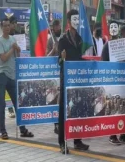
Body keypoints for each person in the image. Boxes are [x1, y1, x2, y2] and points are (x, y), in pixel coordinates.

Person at [0, 18, 34, 140]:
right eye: (5, 25)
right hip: (1, 74)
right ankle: (3, 131)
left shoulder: (13, 39)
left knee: (18, 103)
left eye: (8, 25)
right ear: (2, 27)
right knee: (2, 104)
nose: (7, 27)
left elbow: (17, 54)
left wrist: (17, 49)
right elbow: (4, 58)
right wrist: (13, 49)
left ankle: (22, 129)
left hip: (12, 75)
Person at [58, 9, 89, 154]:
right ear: (69, 22)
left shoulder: (80, 39)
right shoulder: (63, 40)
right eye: (74, 19)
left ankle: (77, 140)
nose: (77, 22)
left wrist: (89, 63)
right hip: (66, 80)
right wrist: (62, 57)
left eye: (78, 19)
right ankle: (62, 142)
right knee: (65, 111)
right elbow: (59, 61)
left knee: (78, 109)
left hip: (77, 80)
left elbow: (79, 58)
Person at [101, 24, 125, 145]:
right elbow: (103, 63)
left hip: (124, 82)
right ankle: (112, 134)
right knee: (113, 108)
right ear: (121, 34)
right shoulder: (108, 46)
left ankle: (123, 134)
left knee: (124, 108)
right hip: (113, 82)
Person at [46, 20, 62, 134]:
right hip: (54, 74)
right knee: (55, 99)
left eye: (58, 25)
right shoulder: (50, 40)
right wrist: (54, 50)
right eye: (55, 26)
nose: (57, 27)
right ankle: (56, 124)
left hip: (62, 71)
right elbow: (46, 56)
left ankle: (61, 123)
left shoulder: (64, 38)